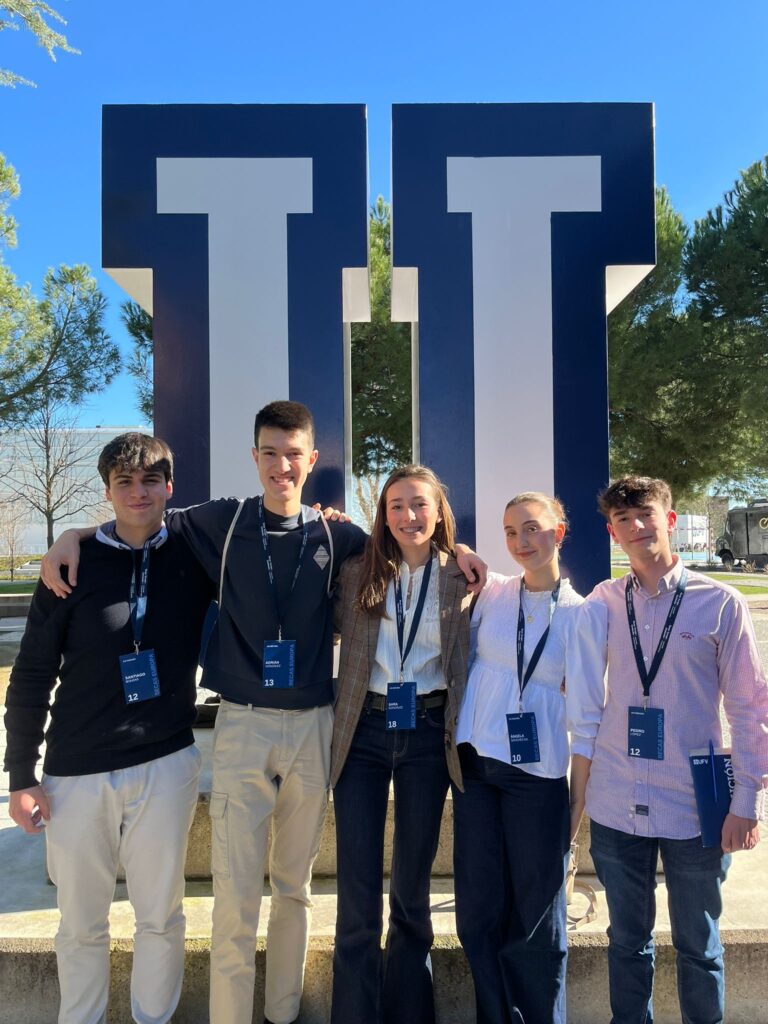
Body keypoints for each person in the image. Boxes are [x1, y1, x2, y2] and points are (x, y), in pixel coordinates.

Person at [40, 402, 486, 1024]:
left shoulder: (338, 536)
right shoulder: (219, 523)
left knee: (295, 889)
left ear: (312, 459)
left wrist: (459, 547)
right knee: (235, 893)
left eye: (293, 454)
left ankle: (283, 1012)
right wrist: (71, 535)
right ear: (255, 457)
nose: (282, 466)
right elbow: (140, 516)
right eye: (270, 453)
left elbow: (409, 541)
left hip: (314, 725)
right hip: (243, 723)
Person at [4, 433, 215, 1024]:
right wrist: (21, 775)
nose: (138, 492)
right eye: (125, 482)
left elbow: (271, 527)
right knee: (80, 923)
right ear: (107, 491)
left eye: (150, 481)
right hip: (76, 772)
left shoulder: (195, 556)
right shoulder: (70, 565)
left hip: (166, 763)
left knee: (161, 917)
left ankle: (154, 1018)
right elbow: (32, 674)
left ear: (169, 487)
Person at [586, 475, 768, 1024]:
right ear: (612, 532)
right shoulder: (602, 602)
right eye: (622, 519)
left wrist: (747, 802)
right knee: (626, 942)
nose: (636, 526)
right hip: (616, 802)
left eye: (645, 514)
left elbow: (750, 709)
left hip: (695, 806)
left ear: (669, 520)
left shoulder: (721, 603)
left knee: (699, 946)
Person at [452, 492, 605, 1024]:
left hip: (536, 780)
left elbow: (587, 721)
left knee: (537, 921)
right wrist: (462, 548)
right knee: (477, 913)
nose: (521, 541)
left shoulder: (584, 615)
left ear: (559, 532)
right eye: (511, 531)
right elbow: (439, 550)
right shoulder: (493, 592)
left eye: (533, 528)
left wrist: (575, 807)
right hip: (475, 768)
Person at [329, 465, 473, 1024]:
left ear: (438, 512)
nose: (408, 516)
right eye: (396, 506)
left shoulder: (463, 577)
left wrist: (466, 553)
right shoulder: (356, 572)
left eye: (419, 504)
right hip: (363, 732)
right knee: (357, 889)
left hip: (427, 735)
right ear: (383, 515)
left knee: (411, 888)